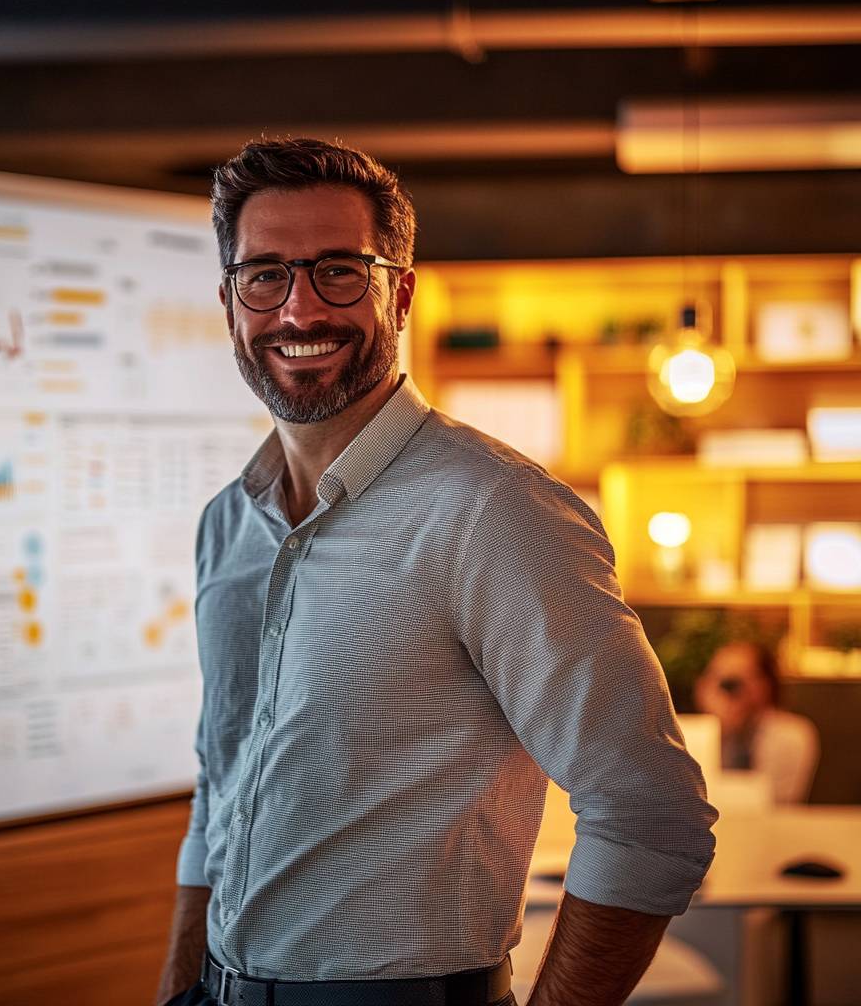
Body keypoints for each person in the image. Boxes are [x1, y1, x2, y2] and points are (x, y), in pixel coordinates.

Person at [156, 137, 718, 1006]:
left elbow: (650, 812)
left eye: (339, 271)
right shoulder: (227, 524)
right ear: (231, 302)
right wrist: (176, 985)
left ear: (402, 292)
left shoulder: (497, 511)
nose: (299, 310)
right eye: (264, 275)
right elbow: (220, 782)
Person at [694, 640, 819, 804]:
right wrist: (719, 730)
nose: (727, 692)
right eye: (718, 680)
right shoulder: (698, 735)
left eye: (736, 681)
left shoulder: (791, 733)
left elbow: (772, 800)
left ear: (765, 684)